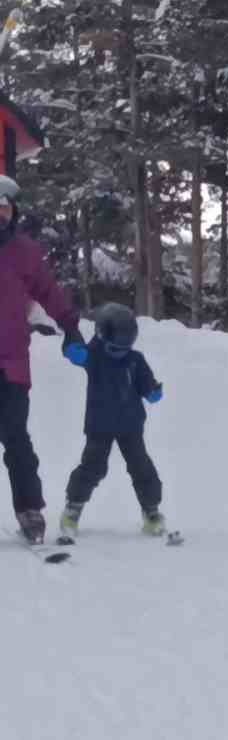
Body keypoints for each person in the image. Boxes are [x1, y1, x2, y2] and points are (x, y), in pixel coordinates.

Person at [0, 175, 86, 544]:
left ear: (13, 212)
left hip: (12, 365)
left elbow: (49, 291)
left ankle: (29, 509)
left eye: (4, 208)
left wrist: (70, 326)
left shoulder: (25, 252)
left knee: (16, 439)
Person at [60, 304, 166, 541]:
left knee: (141, 466)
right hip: (100, 424)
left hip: (130, 425)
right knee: (93, 466)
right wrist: (72, 343)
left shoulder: (135, 360)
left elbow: (146, 385)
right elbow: (76, 353)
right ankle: (73, 508)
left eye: (126, 344)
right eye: (116, 344)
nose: (121, 350)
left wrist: (152, 392)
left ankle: (151, 511)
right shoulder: (94, 356)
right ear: (102, 335)